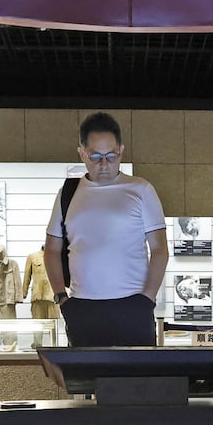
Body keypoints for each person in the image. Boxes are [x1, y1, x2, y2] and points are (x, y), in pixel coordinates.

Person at [43, 112, 168, 346]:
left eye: (111, 156)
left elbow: (160, 250)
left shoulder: (141, 190)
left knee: (139, 381)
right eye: (95, 156)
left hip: (133, 306)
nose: (104, 164)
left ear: (121, 150)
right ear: (82, 153)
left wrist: (147, 298)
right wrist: (62, 297)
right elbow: (51, 249)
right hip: (82, 308)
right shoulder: (68, 193)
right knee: (85, 382)